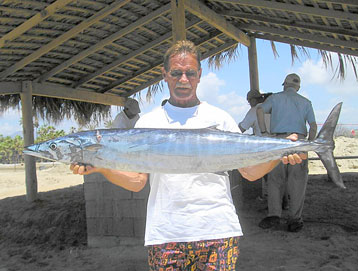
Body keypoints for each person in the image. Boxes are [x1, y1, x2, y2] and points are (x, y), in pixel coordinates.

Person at [70, 41, 306, 270]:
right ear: (164, 74)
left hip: (218, 232)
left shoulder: (220, 118)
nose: (184, 80)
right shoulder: (149, 122)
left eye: (190, 73)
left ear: (200, 75)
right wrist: (101, 168)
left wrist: (279, 153)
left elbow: (250, 172)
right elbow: (137, 181)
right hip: (166, 235)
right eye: (176, 73)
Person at [256, 73, 317, 232]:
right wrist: (309, 142)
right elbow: (313, 125)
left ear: (284, 85)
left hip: (279, 141)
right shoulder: (305, 102)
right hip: (299, 141)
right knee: (297, 183)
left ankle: (274, 214)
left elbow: (259, 110)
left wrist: (264, 132)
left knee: (275, 180)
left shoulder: (275, 98)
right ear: (298, 87)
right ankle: (295, 220)